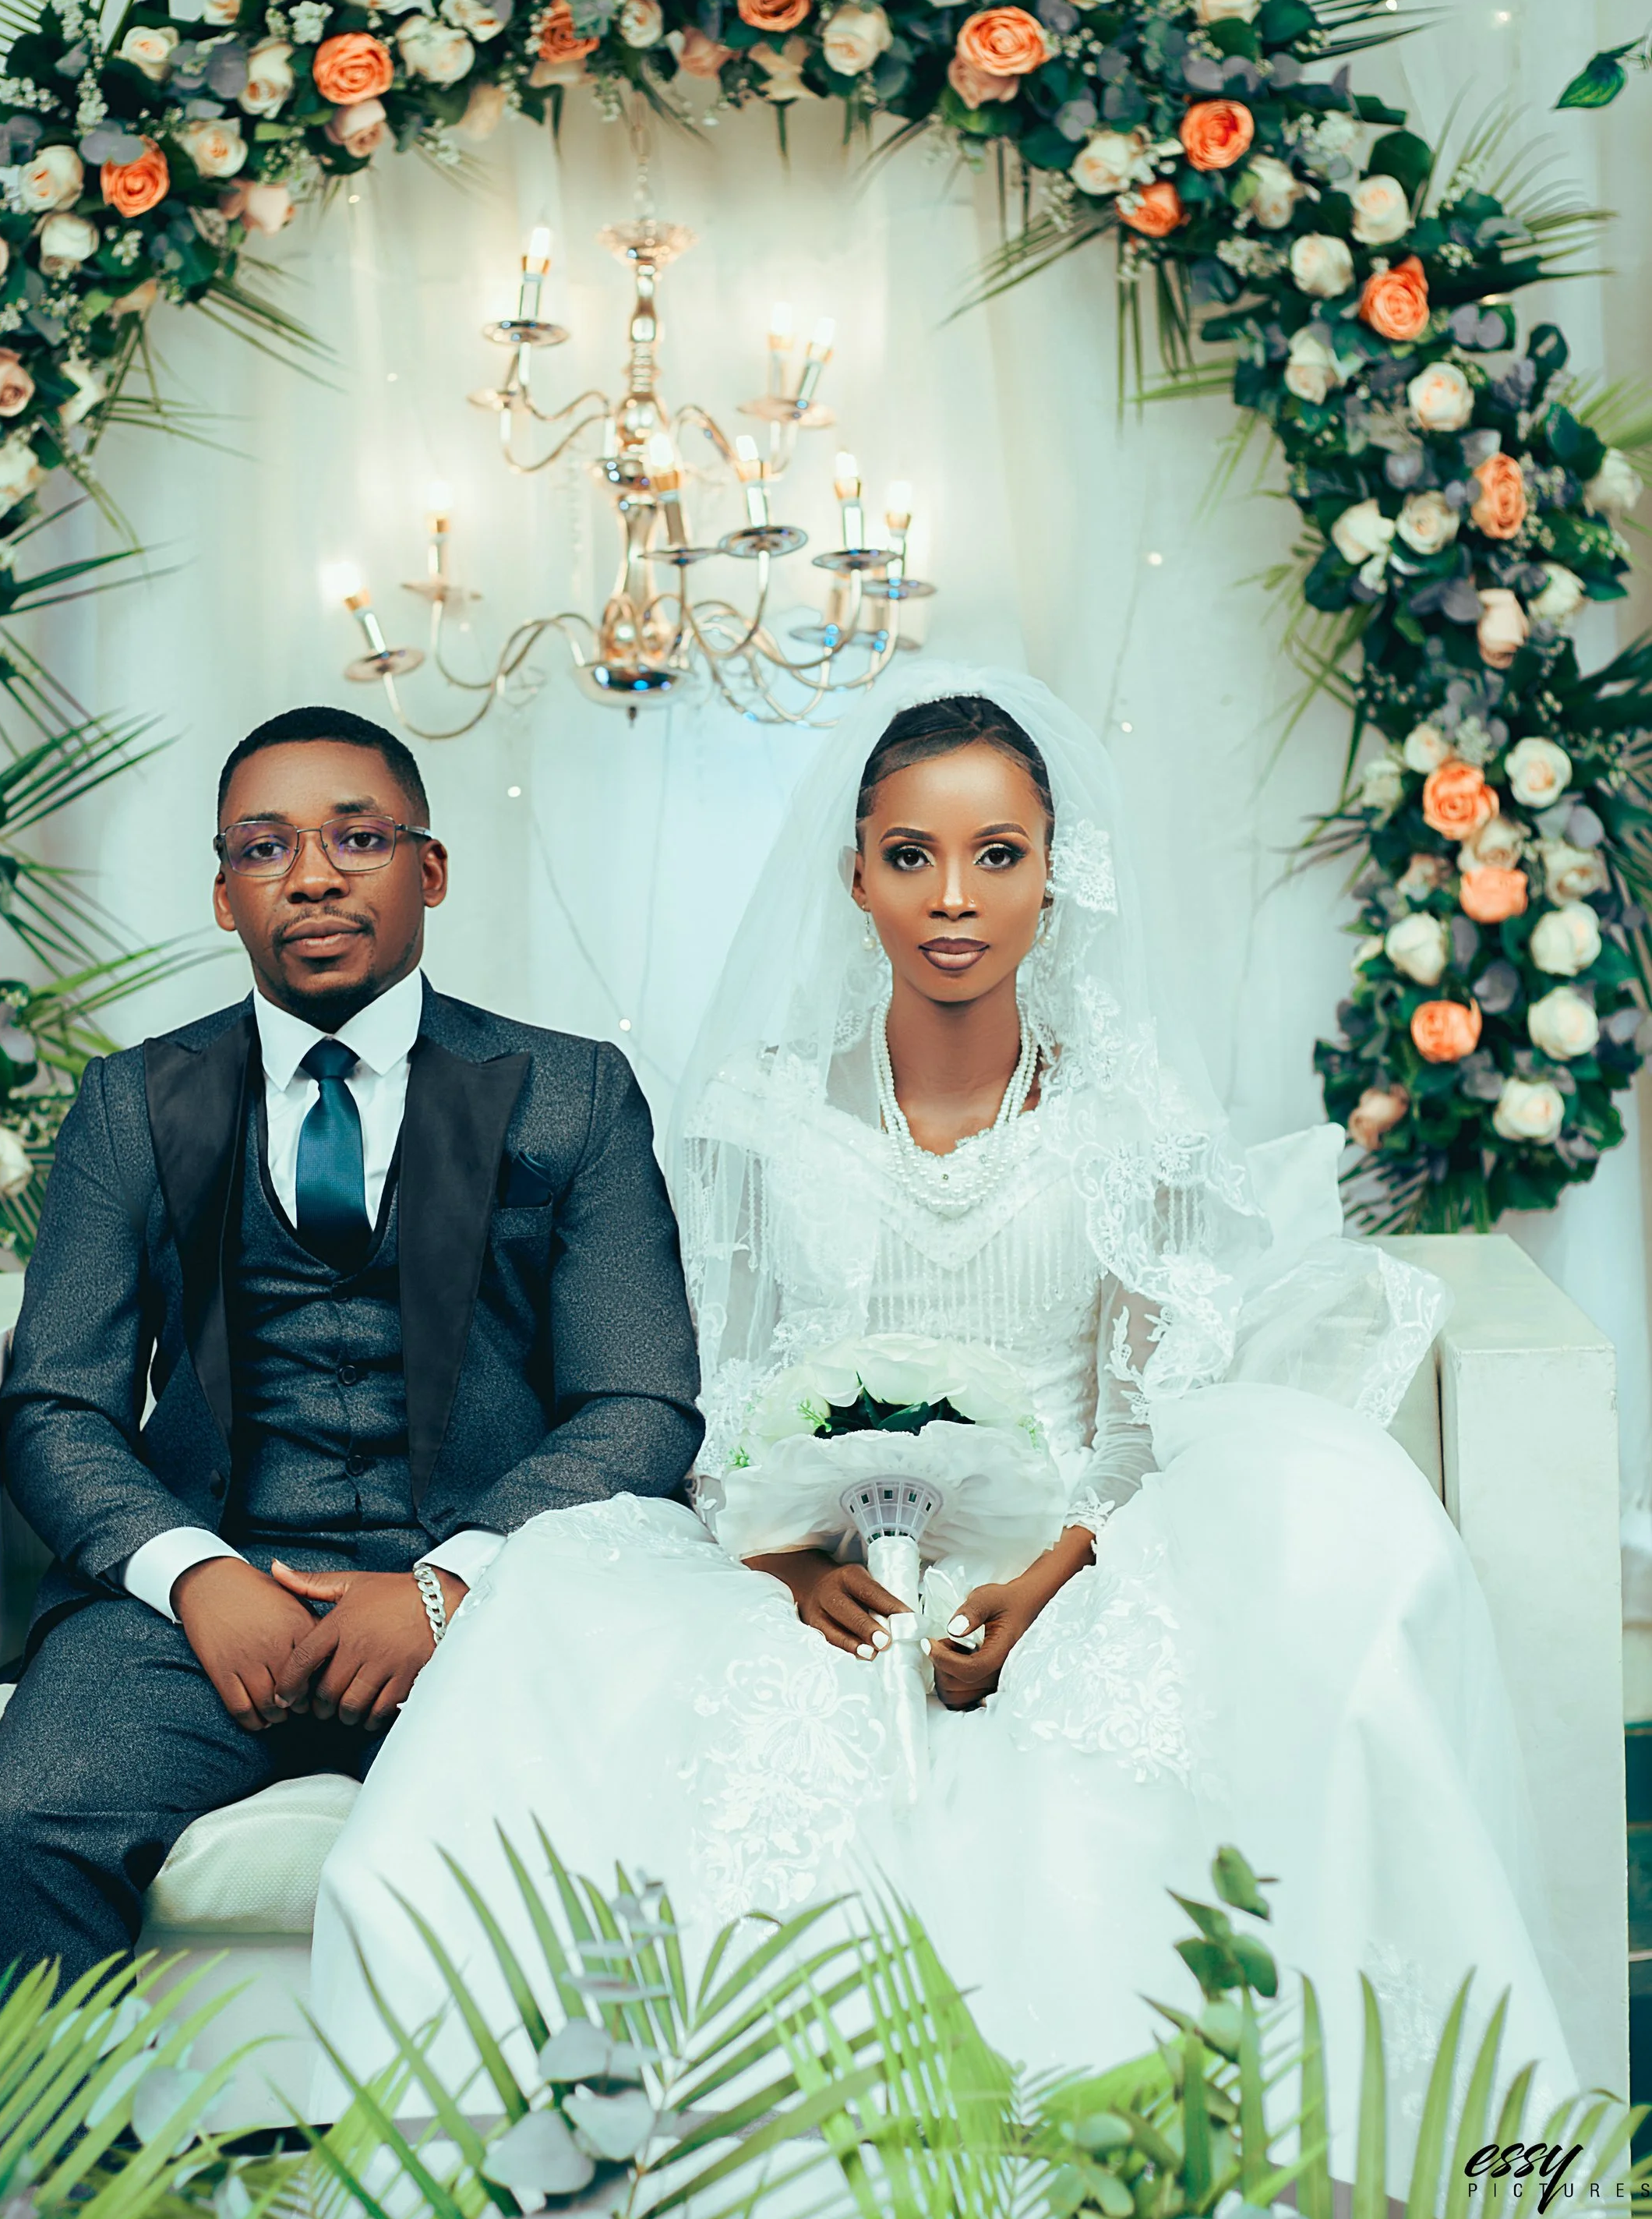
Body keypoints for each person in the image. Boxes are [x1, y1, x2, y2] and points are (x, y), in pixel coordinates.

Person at [306, 664, 1575, 2138]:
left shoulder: (1127, 1119)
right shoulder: (763, 1113)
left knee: (1298, 1590)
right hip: (820, 1570)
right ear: (856, 877)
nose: (954, 898)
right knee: (575, 1624)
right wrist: (794, 1563)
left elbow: (1140, 1422)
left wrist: (1042, 1584)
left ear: (1056, 874)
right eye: (911, 857)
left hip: (1066, 1561)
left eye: (998, 857)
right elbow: (714, 1402)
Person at [0, 704, 702, 1988]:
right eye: (264, 847)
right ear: (222, 892)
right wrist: (194, 1574)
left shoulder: (572, 1092)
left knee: (608, 1820)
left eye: (357, 837)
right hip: (205, 1600)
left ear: (432, 869)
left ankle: (538, 2180)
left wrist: (452, 1584)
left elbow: (639, 1398)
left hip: (486, 1595)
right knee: (28, 1811)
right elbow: (55, 1408)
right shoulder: (129, 1102)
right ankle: (59, 2191)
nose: (309, 875)